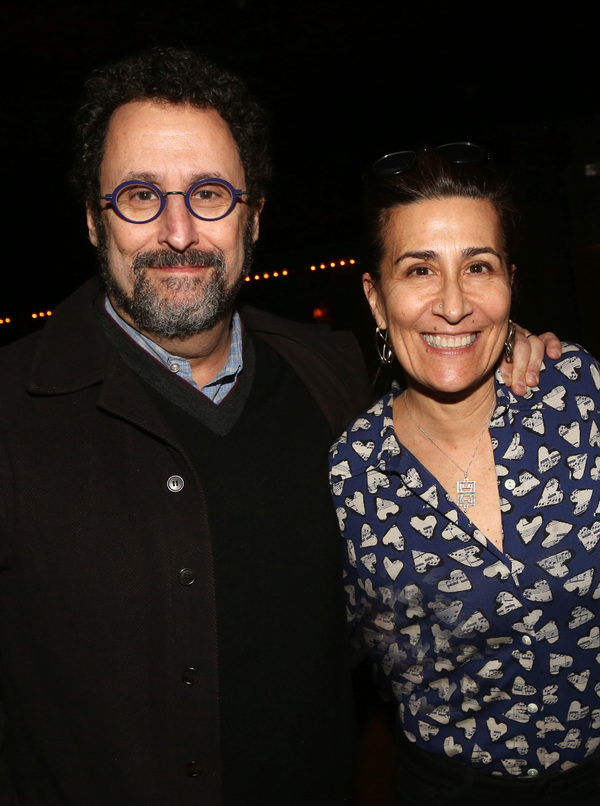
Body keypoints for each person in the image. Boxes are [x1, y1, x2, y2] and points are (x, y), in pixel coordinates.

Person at [0, 47, 555, 804]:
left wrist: (516, 347)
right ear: (94, 224)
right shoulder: (11, 413)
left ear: (254, 214)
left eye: (210, 195)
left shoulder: (331, 374)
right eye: (137, 195)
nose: (178, 231)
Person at [329, 144, 599, 805]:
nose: (453, 305)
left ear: (510, 280)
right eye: (419, 270)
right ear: (375, 295)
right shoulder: (351, 475)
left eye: (478, 267)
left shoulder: (578, 394)